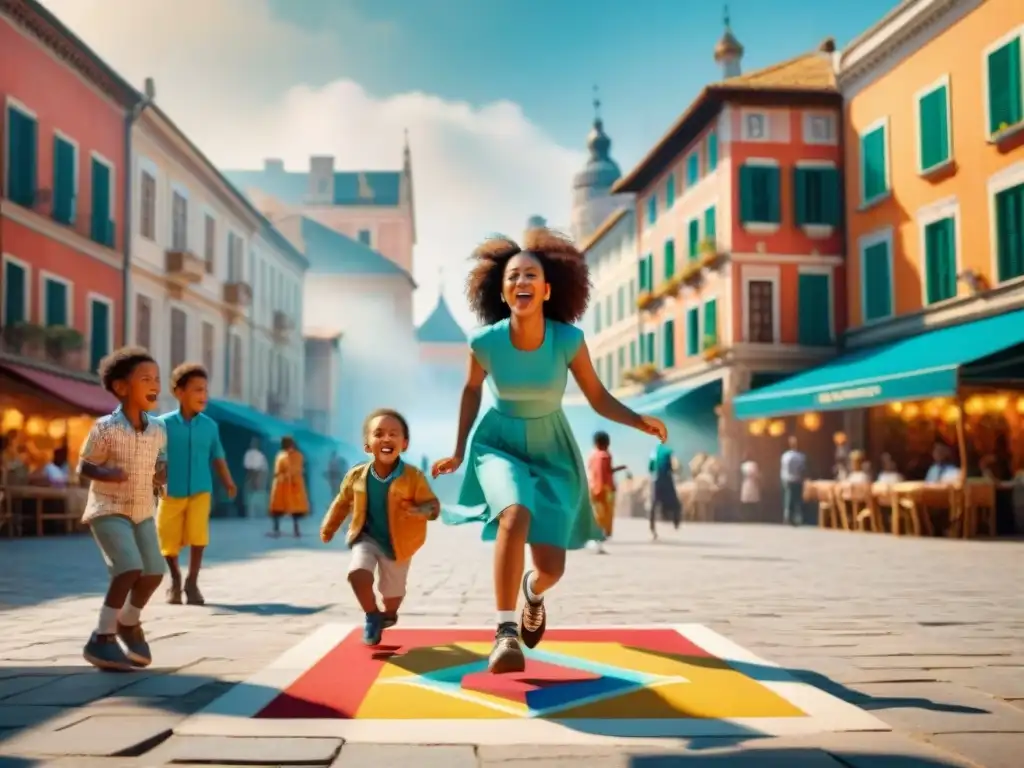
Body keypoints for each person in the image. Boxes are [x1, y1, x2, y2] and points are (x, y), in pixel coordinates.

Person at [431, 229, 668, 674]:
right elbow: (470, 391)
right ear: (502, 291)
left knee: (551, 568)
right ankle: (504, 633)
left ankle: (533, 594)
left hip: (553, 447)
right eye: (512, 275)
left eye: (531, 275)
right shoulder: (484, 343)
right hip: (498, 443)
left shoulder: (568, 341)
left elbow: (597, 397)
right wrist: (460, 449)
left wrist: (639, 421)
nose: (521, 280)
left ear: (546, 289)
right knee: (514, 513)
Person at [77, 347, 167, 671]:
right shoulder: (105, 428)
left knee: (154, 571)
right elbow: (84, 467)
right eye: (145, 379)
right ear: (121, 387)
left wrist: (162, 474)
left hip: (143, 508)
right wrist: (107, 473)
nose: (154, 384)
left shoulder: (159, 429)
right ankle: (101, 638)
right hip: (107, 507)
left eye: (157, 378)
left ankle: (128, 622)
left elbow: (160, 463)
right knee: (129, 566)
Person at [320, 409, 440, 645]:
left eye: (393, 434)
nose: (386, 439)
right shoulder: (356, 476)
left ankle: (388, 612)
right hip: (366, 537)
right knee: (357, 572)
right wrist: (329, 527)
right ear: (367, 445)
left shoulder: (413, 476)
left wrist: (420, 511)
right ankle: (371, 614)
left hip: (399, 544)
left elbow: (433, 505)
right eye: (379, 433)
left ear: (404, 444)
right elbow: (342, 502)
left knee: (392, 596)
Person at [157, 363, 236, 606]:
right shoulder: (161, 424)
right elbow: (153, 457)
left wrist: (228, 482)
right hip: (170, 492)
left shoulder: (210, 426)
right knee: (166, 537)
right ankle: (175, 579)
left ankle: (192, 582)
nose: (203, 395)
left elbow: (218, 457)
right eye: (197, 390)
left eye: (205, 390)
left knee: (198, 534)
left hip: (201, 489)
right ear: (179, 392)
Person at [586, 431, 627, 554]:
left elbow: (601, 471)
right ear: (607, 443)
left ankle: (596, 541)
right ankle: (599, 541)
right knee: (606, 515)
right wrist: (604, 487)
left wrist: (618, 468)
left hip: (593, 488)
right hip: (604, 489)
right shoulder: (605, 455)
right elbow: (602, 473)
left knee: (597, 515)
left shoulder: (592, 455)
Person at [269, 436, 309, 537]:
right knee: (278, 509)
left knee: (295, 510)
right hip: (282, 485)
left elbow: (298, 468)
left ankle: (296, 530)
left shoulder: (298, 456)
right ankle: (276, 529)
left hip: (294, 485)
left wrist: (288, 475)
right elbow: (277, 470)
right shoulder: (281, 455)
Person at [648, 442, 681, 539]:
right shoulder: (669, 451)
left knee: (654, 504)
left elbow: (650, 467)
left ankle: (652, 528)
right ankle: (676, 522)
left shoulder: (654, 451)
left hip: (655, 480)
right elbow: (674, 466)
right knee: (675, 503)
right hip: (666, 479)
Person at [780, 435, 807, 526]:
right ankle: (798, 518)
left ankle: (787, 517)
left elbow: (783, 468)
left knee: (788, 498)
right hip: (797, 479)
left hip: (787, 479)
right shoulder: (800, 456)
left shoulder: (785, 456)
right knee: (797, 499)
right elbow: (802, 469)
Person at [739, 453, 761, 519]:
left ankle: (745, 516)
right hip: (753, 482)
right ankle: (753, 516)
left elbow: (741, 475)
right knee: (753, 501)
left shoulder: (743, 465)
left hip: (745, 482)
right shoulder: (754, 465)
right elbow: (757, 474)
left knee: (746, 501)